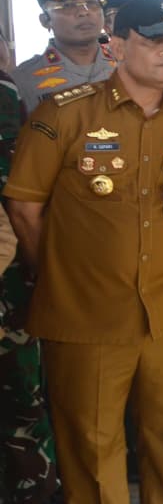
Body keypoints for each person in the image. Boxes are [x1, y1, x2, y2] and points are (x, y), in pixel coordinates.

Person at [4, 0, 163, 504]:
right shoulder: (65, 113)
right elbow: (25, 208)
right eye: (154, 41)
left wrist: (153, 248)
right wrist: (59, 271)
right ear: (117, 45)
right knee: (94, 449)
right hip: (86, 314)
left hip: (160, 312)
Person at [0, 69, 59, 504]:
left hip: (7, 281)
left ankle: (35, 490)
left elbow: (16, 198)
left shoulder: (2, 92)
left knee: (20, 401)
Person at [12, 0, 115, 114]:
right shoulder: (23, 80)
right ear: (45, 20)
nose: (83, 12)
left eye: (91, 2)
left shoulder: (128, 65)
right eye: (67, 5)